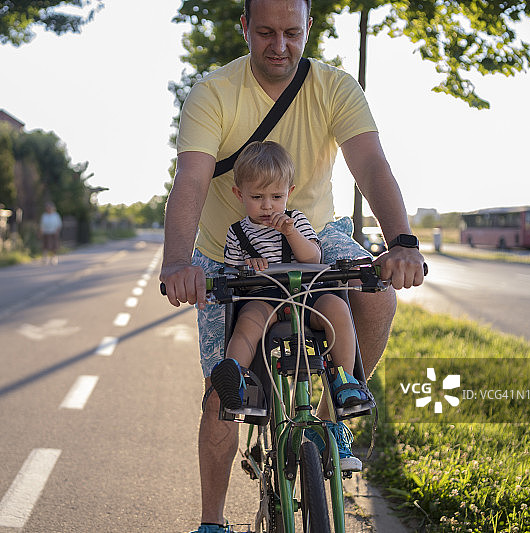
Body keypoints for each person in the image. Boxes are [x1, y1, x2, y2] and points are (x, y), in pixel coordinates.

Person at [159, 1, 425, 530]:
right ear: (244, 28)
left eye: (291, 32)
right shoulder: (214, 91)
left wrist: (402, 242)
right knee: (220, 395)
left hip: (314, 234)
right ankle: (212, 521)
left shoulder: (335, 86)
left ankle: (335, 413)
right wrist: (177, 261)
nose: (279, 46)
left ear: (309, 28)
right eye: (265, 32)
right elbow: (191, 178)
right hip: (229, 248)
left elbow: (370, 163)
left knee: (377, 293)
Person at [211, 140, 369, 472]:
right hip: (264, 296)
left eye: (276, 197)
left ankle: (344, 380)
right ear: (239, 195)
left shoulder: (296, 220)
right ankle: (236, 376)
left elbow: (313, 257)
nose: (267, 206)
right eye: (257, 197)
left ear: (289, 193)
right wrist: (248, 265)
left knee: (337, 309)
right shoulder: (237, 233)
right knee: (248, 323)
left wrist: (291, 233)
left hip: (305, 294)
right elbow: (231, 273)